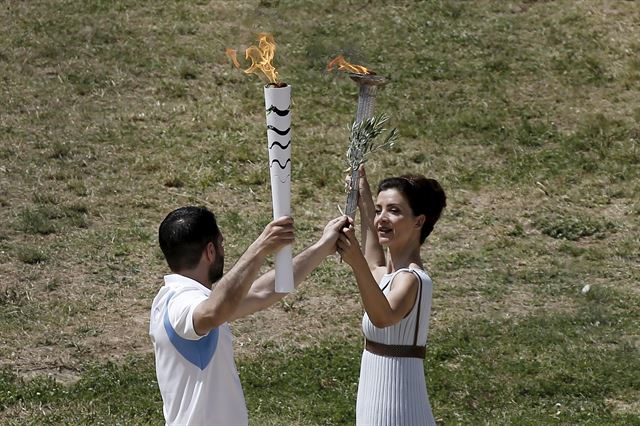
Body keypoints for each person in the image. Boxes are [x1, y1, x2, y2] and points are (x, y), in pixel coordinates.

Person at [149, 205, 346, 426]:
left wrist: (322, 247)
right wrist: (259, 248)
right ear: (210, 251)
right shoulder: (180, 303)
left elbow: (263, 292)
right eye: (222, 244)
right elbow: (212, 312)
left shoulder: (184, 298)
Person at [337, 166, 446, 426]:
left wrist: (356, 262)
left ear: (418, 221)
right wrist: (362, 195)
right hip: (374, 408)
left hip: (401, 412)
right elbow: (374, 264)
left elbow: (382, 317)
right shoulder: (389, 277)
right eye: (379, 211)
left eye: (394, 211)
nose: (382, 218)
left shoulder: (412, 279)